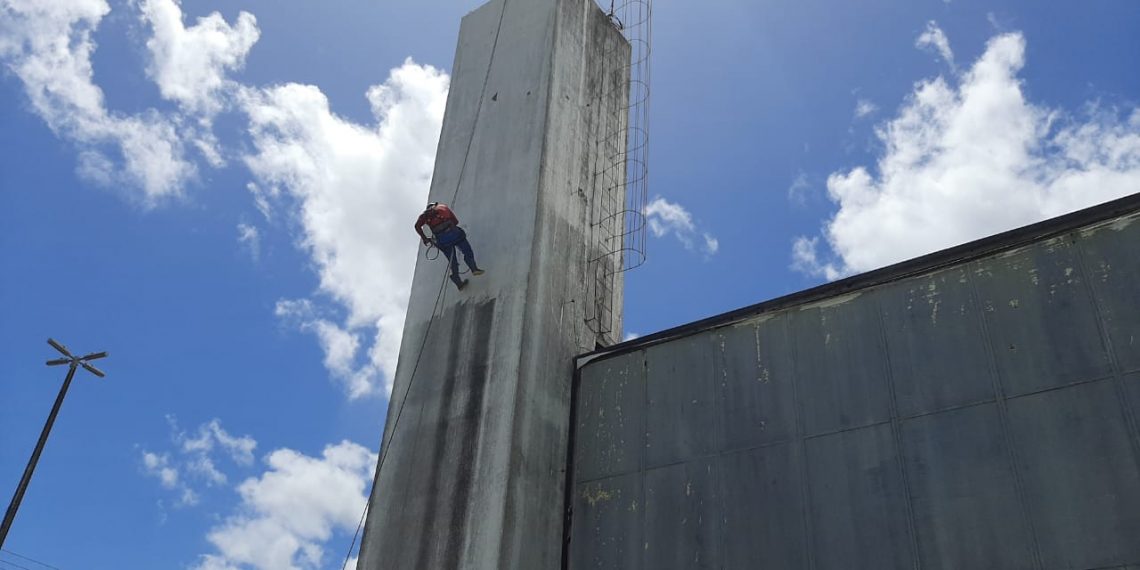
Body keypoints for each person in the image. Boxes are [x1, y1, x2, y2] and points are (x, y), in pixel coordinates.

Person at [415, 202, 485, 290]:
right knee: (466, 249)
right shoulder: (442, 207)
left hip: (442, 241)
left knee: (452, 260)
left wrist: (425, 238)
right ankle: (473, 268)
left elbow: (417, 226)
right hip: (455, 235)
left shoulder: (424, 215)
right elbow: (455, 222)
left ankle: (457, 279)